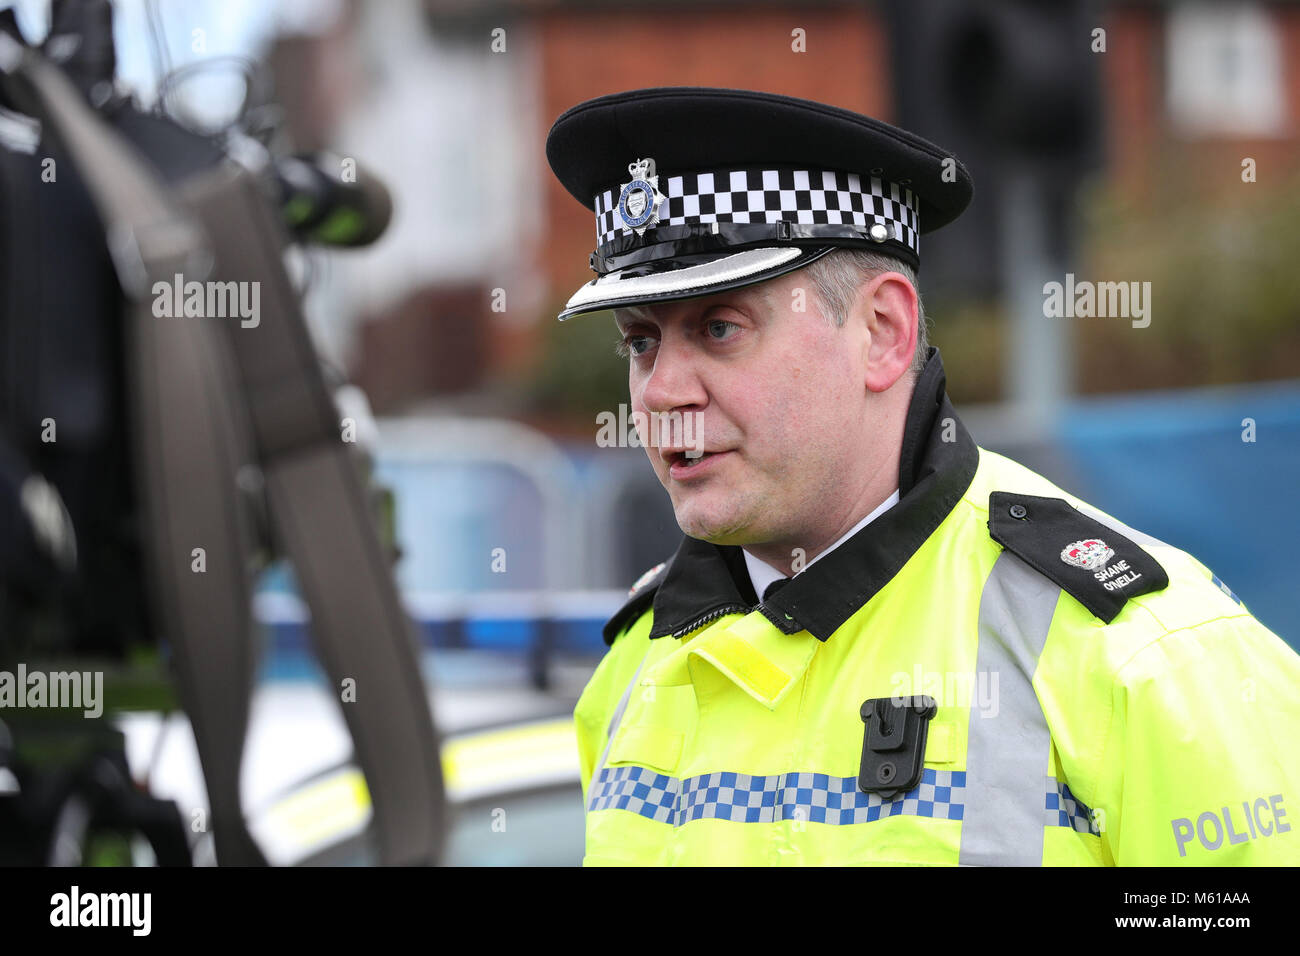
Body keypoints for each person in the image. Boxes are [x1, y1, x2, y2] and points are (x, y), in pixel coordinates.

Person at [545, 87, 1300, 866]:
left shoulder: (1145, 656)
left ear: (883, 332)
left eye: (721, 328)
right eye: (640, 342)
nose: (663, 390)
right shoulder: (637, 663)